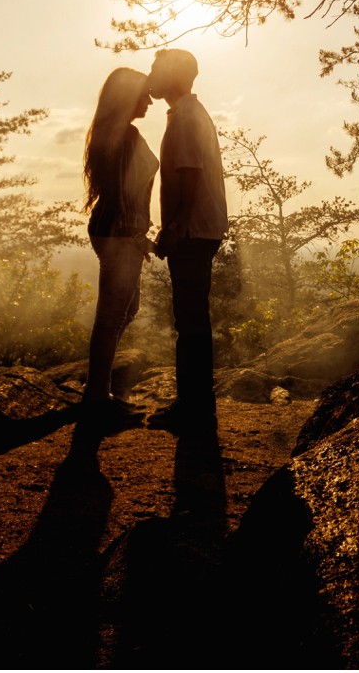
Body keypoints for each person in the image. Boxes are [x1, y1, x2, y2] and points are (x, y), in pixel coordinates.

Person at [145, 48, 228, 431]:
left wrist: (174, 225)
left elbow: (190, 172)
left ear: (176, 76)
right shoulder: (187, 113)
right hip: (199, 228)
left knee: (190, 320)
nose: (151, 75)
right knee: (193, 318)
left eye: (157, 69)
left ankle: (193, 409)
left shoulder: (186, 117)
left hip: (193, 230)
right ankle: (197, 405)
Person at [80, 66, 158, 427]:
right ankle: (97, 399)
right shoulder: (124, 136)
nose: (150, 100)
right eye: (143, 94)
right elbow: (126, 192)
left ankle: (98, 390)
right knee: (112, 316)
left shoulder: (114, 134)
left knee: (125, 311)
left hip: (113, 230)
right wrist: (137, 234)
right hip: (118, 232)